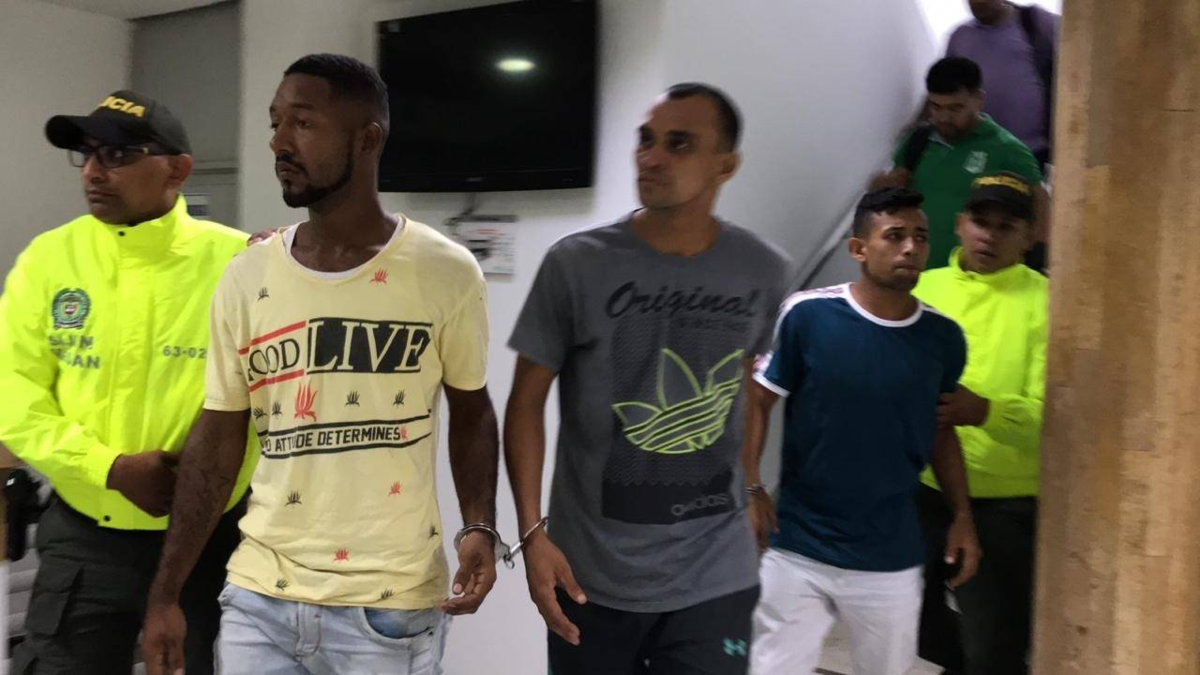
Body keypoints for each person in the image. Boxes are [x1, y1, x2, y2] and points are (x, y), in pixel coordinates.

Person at [140, 53, 500, 675]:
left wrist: (480, 526)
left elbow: (471, 409)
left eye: (302, 123)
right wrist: (166, 593)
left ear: (367, 139)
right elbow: (218, 438)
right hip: (259, 600)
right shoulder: (247, 276)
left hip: (387, 607)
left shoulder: (444, 271)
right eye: (275, 122)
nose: (279, 142)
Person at [505, 83, 793, 675]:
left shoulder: (764, 270)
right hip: (591, 573)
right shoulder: (577, 263)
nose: (651, 157)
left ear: (725, 166)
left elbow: (740, 388)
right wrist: (532, 534)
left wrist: (750, 484)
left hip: (715, 572)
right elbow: (525, 403)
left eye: (678, 144)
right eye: (645, 140)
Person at [0, 90, 256, 674]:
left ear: (177, 169)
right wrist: (109, 469)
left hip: (209, 542)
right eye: (88, 154)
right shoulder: (50, 259)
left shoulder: (238, 262)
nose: (93, 172)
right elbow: (13, 396)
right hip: (85, 541)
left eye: (117, 155)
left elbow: (265, 406)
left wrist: (196, 489)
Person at [745, 188, 981, 675]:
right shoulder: (808, 316)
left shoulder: (943, 338)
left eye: (920, 236)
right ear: (858, 249)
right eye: (894, 236)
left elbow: (942, 431)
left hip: (889, 556)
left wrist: (962, 515)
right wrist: (750, 487)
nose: (911, 248)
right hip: (799, 547)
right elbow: (758, 401)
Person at [914, 173, 1047, 675]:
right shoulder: (924, 287)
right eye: (980, 222)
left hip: (1003, 501)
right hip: (923, 487)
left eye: (1006, 226)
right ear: (959, 224)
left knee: (993, 643)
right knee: (905, 617)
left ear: (1028, 237)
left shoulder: (1050, 303)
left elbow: (1057, 416)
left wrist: (986, 411)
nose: (989, 235)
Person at [873, 57, 1048, 271]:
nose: (944, 117)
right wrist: (880, 187)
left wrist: (1032, 267)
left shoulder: (1008, 150)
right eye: (936, 107)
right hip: (919, 274)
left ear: (979, 100)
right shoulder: (917, 141)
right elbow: (892, 195)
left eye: (955, 108)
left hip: (980, 280)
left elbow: (1042, 216)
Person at [949, 1, 1060, 169]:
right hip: (981, 153)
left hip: (1035, 150)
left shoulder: (1036, 22)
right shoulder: (960, 37)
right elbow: (943, 89)